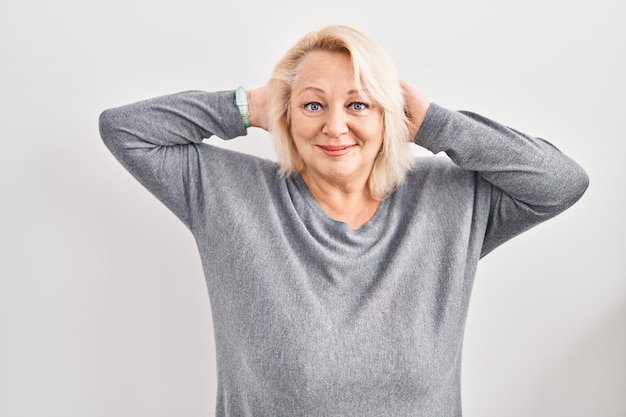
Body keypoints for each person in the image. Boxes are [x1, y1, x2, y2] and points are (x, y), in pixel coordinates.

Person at [99, 25, 588, 417]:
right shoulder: (228, 195)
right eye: (313, 104)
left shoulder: (453, 202)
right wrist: (247, 106)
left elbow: (562, 182)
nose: (335, 126)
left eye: (358, 104)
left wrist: (437, 123)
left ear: (389, 116)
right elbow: (124, 130)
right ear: (286, 115)